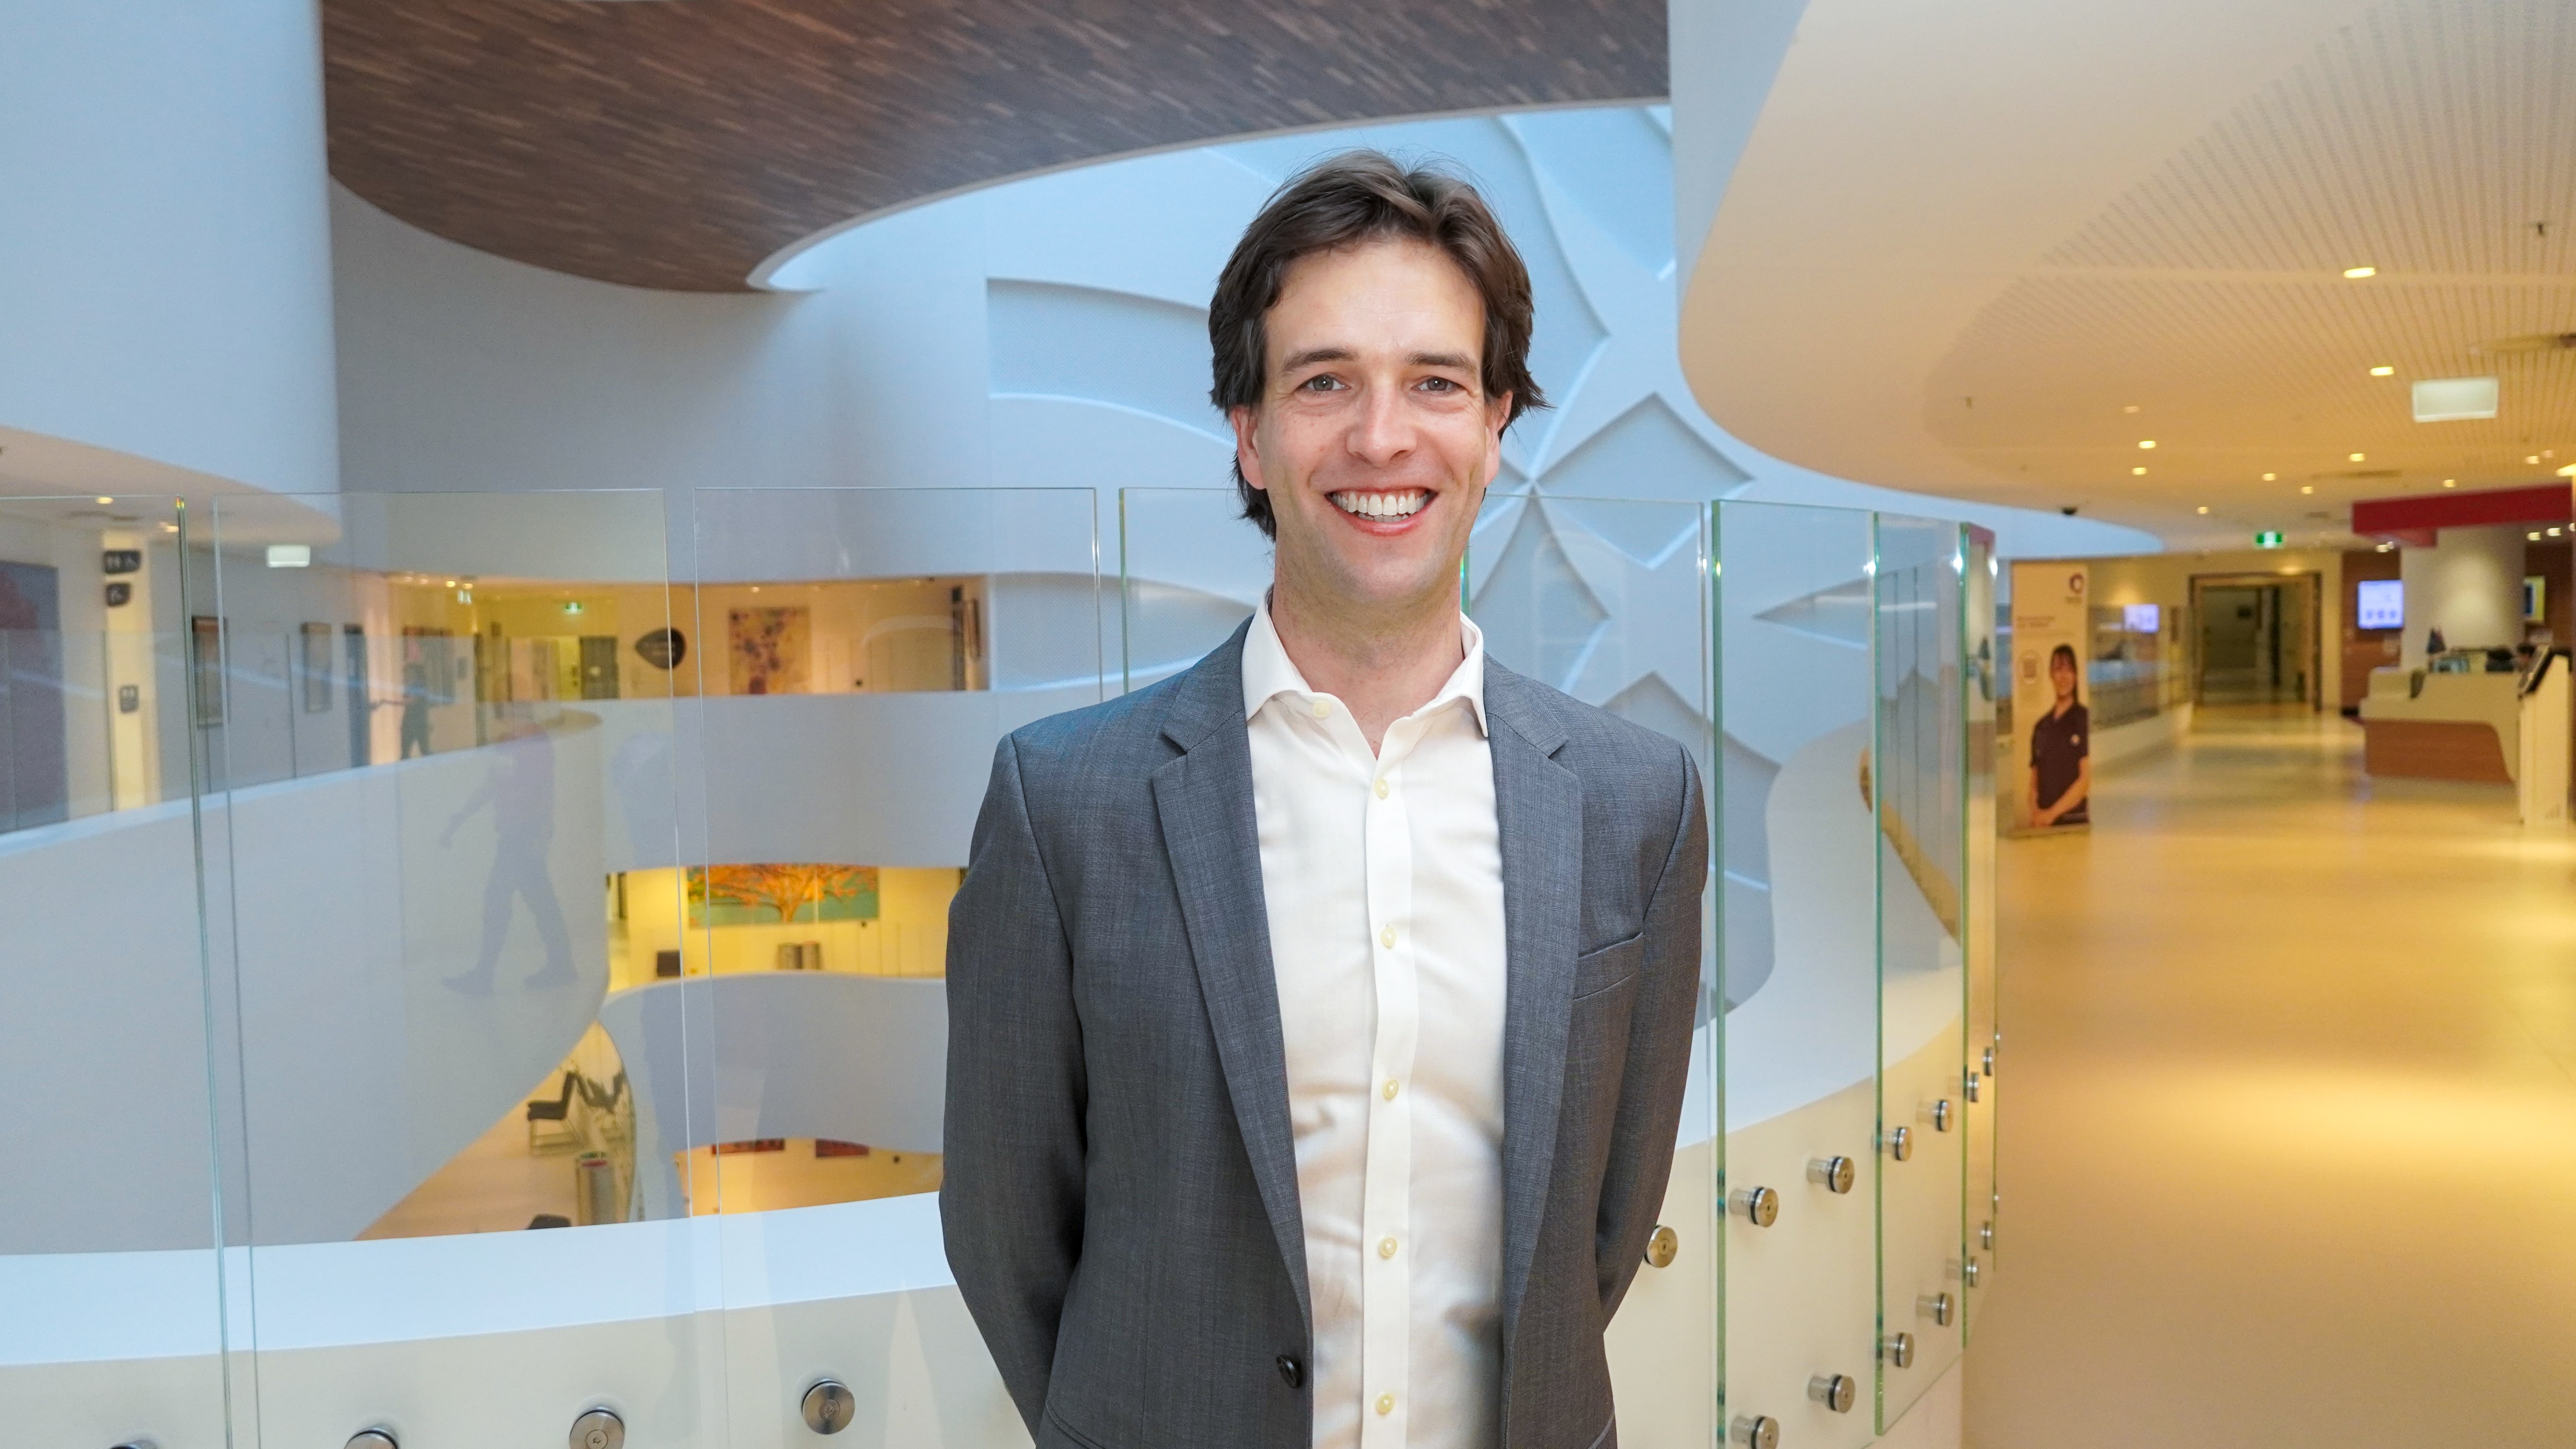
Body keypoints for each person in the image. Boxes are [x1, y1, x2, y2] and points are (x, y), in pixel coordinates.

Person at [941, 153, 1707, 1449]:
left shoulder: (1637, 803)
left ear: (1497, 427)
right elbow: (1008, 1228)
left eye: (1435, 383)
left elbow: (1604, 1222)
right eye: (1323, 382)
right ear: (1247, 429)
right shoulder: (1061, 805)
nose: (1381, 437)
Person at [2027, 643, 2090, 828]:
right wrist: (2037, 814)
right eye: (2058, 669)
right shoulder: (2041, 727)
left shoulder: (2082, 719)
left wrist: (2051, 814)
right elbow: (2033, 784)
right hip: (2044, 824)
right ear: (2051, 675)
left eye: (2069, 670)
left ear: (2076, 675)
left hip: (2073, 821)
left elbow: (2085, 780)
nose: (2063, 677)